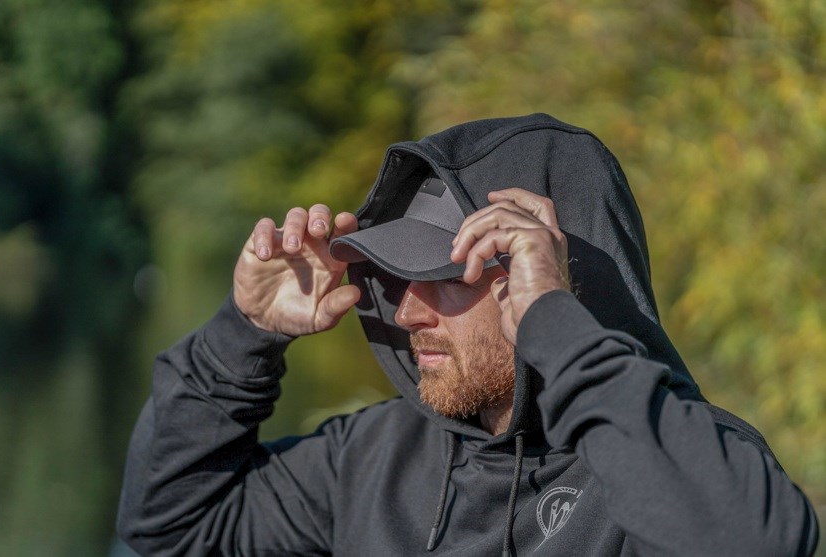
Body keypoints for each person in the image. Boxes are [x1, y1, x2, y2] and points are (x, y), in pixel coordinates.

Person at [117, 114, 819, 556]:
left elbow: (759, 542)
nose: (407, 313)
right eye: (399, 277)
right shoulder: (372, 461)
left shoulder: (679, 460)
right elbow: (171, 527)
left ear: (548, 276)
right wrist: (244, 335)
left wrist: (555, 326)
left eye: (447, 275)